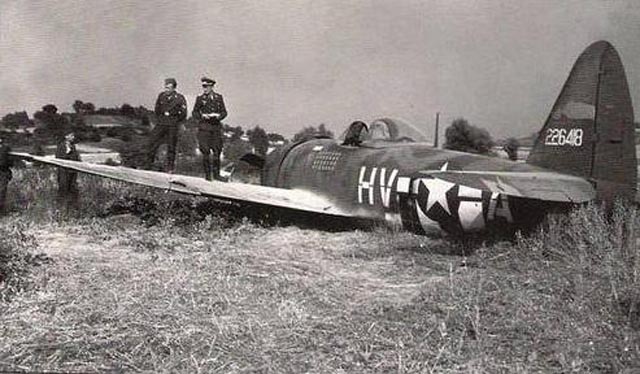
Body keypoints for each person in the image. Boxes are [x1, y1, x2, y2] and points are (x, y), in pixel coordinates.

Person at [146, 78, 187, 172]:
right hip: (161, 123)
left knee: (171, 145)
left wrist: (175, 120)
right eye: (165, 87)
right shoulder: (161, 96)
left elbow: (183, 113)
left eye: (168, 88)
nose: (166, 90)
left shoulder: (180, 98)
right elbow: (157, 109)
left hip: (172, 124)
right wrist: (160, 118)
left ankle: (170, 168)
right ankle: (148, 164)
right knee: (152, 141)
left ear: (173, 88)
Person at [192, 76, 227, 181]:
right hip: (204, 128)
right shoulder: (200, 98)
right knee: (205, 152)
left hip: (215, 128)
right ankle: (208, 176)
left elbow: (224, 112)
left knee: (217, 151)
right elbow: (194, 113)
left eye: (206, 87)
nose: (205, 89)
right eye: (203, 86)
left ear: (212, 87)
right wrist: (203, 116)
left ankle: (217, 175)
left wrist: (218, 116)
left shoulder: (218, 98)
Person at [55, 132, 81, 210]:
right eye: (71, 135)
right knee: (63, 189)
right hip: (64, 172)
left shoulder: (73, 146)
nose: (73, 137)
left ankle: (72, 208)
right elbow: (58, 158)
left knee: (73, 189)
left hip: (72, 172)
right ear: (66, 136)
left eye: (73, 135)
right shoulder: (61, 146)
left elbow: (76, 158)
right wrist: (67, 153)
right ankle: (61, 207)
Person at [0, 137, 13, 215]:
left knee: (2, 192)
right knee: (2, 192)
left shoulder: (5, 148)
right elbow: (10, 162)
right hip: (3, 172)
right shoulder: (5, 148)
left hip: (3, 172)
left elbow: (10, 162)